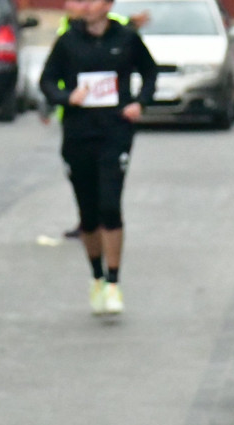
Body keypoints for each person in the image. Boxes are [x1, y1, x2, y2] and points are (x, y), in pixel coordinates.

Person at [40, 0, 157, 315]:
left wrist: (140, 103)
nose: (86, 6)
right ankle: (96, 276)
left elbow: (150, 71)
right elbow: (46, 81)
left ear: (108, 5)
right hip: (78, 135)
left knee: (110, 205)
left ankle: (114, 283)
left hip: (115, 133)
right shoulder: (68, 41)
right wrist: (66, 97)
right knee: (89, 213)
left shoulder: (126, 38)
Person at [45, 0, 149, 240]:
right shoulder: (67, 35)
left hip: (114, 127)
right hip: (77, 124)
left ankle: (108, 241)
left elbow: (145, 65)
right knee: (86, 192)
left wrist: (139, 102)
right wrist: (64, 98)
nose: (80, 6)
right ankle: (88, 224)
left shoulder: (121, 33)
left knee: (109, 198)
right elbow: (49, 77)